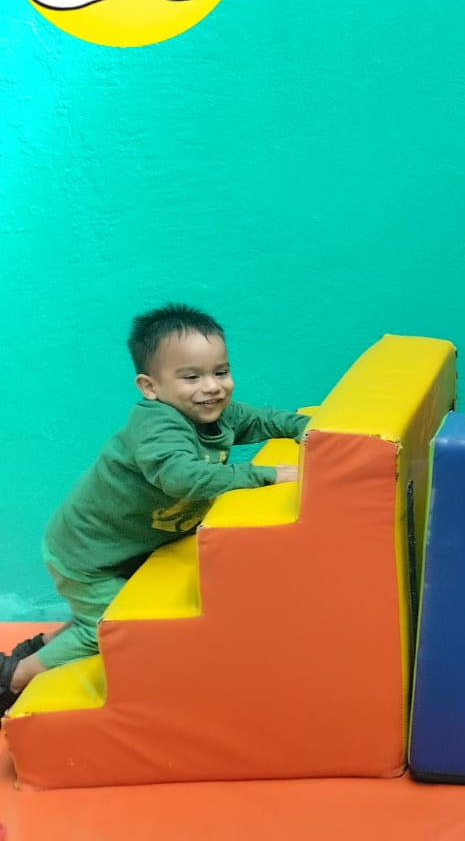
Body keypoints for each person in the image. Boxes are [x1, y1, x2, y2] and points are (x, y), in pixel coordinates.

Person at [0, 304, 308, 714]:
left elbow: (264, 420)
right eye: (191, 377)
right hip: (86, 556)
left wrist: (309, 431)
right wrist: (267, 475)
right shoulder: (157, 425)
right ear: (150, 387)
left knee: (110, 612)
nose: (212, 387)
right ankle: (14, 679)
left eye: (220, 372)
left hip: (129, 547)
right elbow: (181, 477)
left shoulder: (216, 413)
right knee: (110, 627)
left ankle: (35, 647)